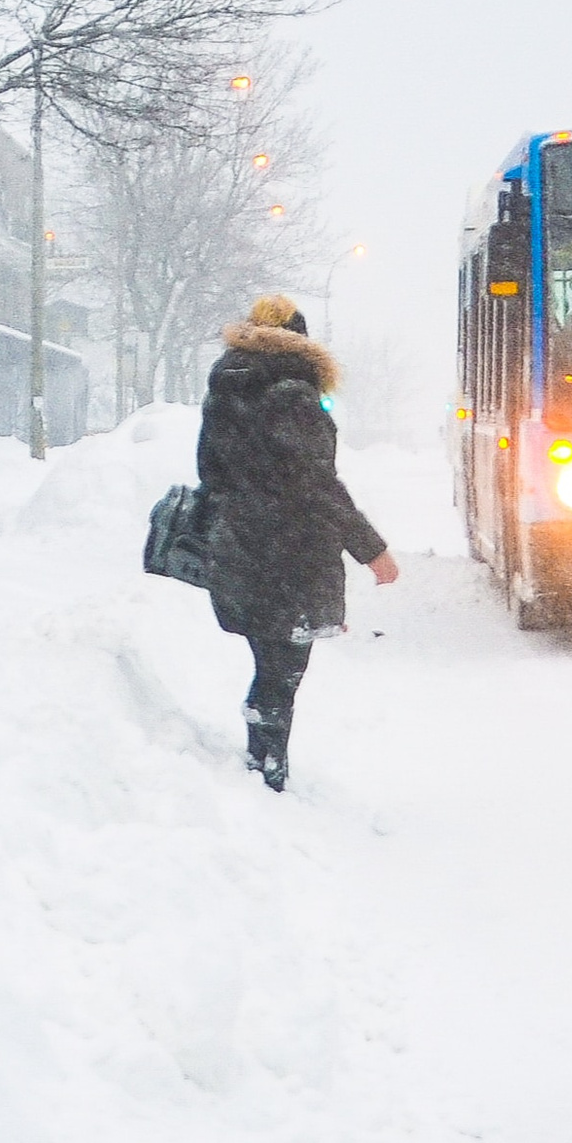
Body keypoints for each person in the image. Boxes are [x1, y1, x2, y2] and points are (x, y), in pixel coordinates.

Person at [196, 296, 398, 790]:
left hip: (240, 544)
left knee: (270, 661)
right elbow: (317, 484)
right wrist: (371, 549)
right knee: (284, 668)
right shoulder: (293, 395)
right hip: (289, 551)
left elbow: (209, 472)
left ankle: (261, 761)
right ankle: (267, 772)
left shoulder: (224, 389)